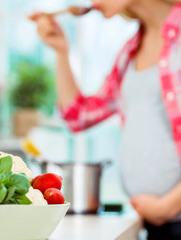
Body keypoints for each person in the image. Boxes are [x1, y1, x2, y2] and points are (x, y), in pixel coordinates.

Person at [30, 0, 181, 239]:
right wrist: (61, 51)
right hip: (155, 222)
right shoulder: (131, 49)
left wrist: (167, 207)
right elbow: (79, 116)